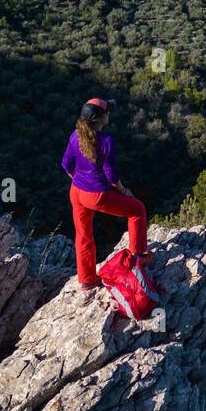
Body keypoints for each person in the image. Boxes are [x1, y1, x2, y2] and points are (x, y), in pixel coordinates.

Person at [62, 98, 149, 291]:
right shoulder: (106, 141)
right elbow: (111, 176)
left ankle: (87, 280)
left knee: (83, 236)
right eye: (106, 112)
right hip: (96, 195)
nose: (109, 114)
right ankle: (138, 257)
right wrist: (124, 191)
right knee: (137, 209)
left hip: (76, 192)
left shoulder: (75, 136)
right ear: (99, 119)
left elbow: (66, 165)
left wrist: (80, 180)